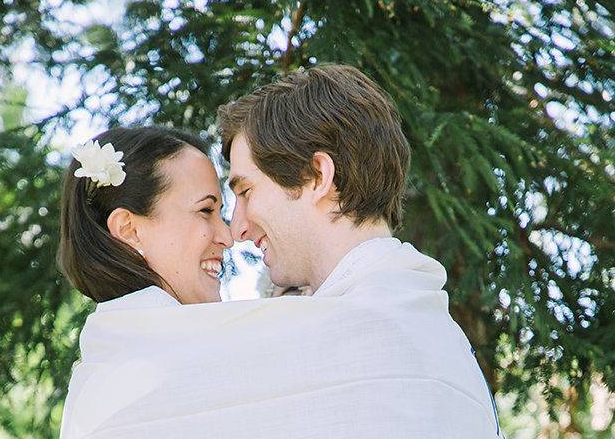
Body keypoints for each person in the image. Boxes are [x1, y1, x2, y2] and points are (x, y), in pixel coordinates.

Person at [218, 63, 503, 437]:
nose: (237, 228)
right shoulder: (444, 341)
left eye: (245, 191)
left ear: (319, 176)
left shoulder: (352, 343)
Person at [57, 126, 233, 437]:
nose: (227, 237)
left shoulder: (107, 369)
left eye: (221, 213)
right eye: (205, 210)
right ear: (129, 229)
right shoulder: (155, 371)